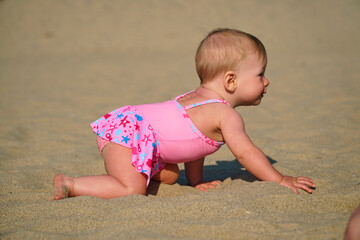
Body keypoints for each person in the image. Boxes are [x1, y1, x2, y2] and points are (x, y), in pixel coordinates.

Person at [50, 28, 315, 200]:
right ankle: (72, 185)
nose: (266, 82)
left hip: (128, 125)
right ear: (231, 81)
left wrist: (195, 181)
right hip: (131, 136)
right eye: (260, 75)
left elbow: (194, 143)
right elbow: (247, 153)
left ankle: (140, 172)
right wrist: (279, 179)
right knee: (131, 190)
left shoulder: (196, 98)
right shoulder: (227, 115)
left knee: (172, 175)